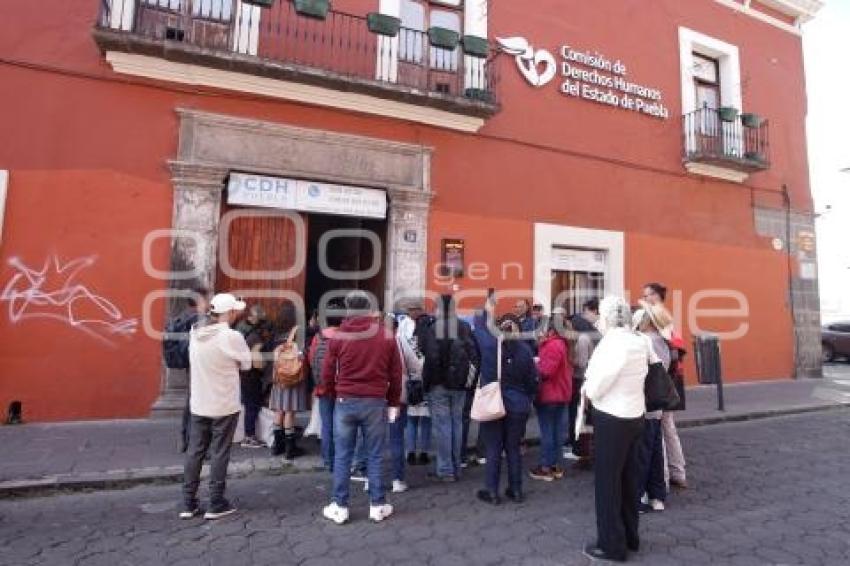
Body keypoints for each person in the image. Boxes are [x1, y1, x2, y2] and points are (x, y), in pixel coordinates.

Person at [581, 296, 658, 562]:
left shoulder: (611, 344)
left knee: (607, 484)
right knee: (629, 480)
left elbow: (595, 387)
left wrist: (589, 388)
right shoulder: (640, 340)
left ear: (607, 318)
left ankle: (611, 545)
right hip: (636, 416)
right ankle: (630, 536)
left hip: (613, 418)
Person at [321, 292, 403, 525]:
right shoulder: (386, 336)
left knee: (343, 455)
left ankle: (340, 505)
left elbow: (327, 370)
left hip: (345, 400)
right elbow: (396, 374)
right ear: (370, 310)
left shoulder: (339, 336)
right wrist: (394, 401)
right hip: (375, 401)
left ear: (348, 309)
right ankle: (377, 505)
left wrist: (328, 392)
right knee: (376, 454)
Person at [180, 293, 251, 520]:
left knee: (195, 451)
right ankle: (216, 501)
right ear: (228, 313)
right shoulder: (232, 336)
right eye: (235, 311)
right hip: (224, 403)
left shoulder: (195, 333)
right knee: (220, 451)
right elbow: (247, 364)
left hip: (199, 401)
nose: (237, 314)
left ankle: (188, 502)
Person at [474, 312, 538, 504]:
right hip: (518, 406)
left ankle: (492, 492)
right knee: (513, 448)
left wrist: (486, 309)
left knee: (493, 448)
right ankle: (516, 489)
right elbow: (533, 382)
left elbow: (479, 325)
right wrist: (526, 397)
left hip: (494, 404)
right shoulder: (526, 351)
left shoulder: (490, 348)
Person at [422, 294, 478, 482]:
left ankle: (445, 469)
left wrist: (429, 383)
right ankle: (455, 466)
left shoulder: (433, 328)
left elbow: (431, 358)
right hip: (460, 384)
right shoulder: (464, 327)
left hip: (439, 385)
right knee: (457, 424)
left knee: (443, 426)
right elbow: (474, 355)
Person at [642, 282, 688, 489]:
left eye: (649, 294)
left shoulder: (658, 318)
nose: (646, 298)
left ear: (657, 295)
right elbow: (678, 350)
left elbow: (672, 352)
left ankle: (664, 478)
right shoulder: (667, 319)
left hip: (662, 381)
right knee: (668, 427)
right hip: (670, 380)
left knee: (659, 428)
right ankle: (678, 471)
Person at [633, 301, 673, 513]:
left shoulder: (647, 342)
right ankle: (657, 496)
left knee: (643, 454)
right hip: (655, 406)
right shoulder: (662, 341)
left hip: (646, 406)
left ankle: (639, 496)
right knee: (655, 452)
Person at [163, 287, 209, 453]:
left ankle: (184, 439)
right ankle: (194, 443)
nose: (208, 302)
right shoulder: (200, 319)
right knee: (197, 404)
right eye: (205, 299)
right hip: (198, 366)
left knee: (190, 402)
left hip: (188, 364)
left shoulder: (182, 317)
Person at [264, 301, 308, 460]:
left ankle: (277, 445)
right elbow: (302, 355)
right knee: (289, 411)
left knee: (279, 410)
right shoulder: (298, 332)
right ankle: (290, 448)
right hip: (292, 376)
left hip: (279, 377)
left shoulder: (275, 332)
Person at [529, 320, 573, 482]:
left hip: (550, 394)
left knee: (548, 432)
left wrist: (534, 365)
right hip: (560, 393)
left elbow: (546, 371)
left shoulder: (552, 345)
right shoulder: (560, 344)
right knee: (556, 431)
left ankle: (546, 467)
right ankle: (555, 465)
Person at [308, 298, 345, 472]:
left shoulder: (318, 337)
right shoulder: (346, 338)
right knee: (342, 425)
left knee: (327, 425)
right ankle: (342, 459)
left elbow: (311, 359)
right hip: (342, 388)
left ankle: (327, 460)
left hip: (322, 387)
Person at [566, 298, 601, 463]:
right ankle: (587, 447)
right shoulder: (595, 334)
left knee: (580, 414)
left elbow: (581, 363)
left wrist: (569, 359)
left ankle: (581, 449)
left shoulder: (582, 339)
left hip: (582, 379)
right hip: (593, 379)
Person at [404, 300, 433, 466]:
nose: (412, 312)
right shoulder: (429, 327)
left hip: (413, 378)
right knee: (422, 420)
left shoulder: (404, 328)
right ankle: (421, 452)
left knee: (414, 419)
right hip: (423, 377)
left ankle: (413, 452)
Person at [235, 304, 269, 448]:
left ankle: (248, 435)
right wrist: (265, 366)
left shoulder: (243, 331)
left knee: (248, 404)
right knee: (252, 406)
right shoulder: (255, 338)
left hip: (243, 373)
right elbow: (257, 362)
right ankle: (249, 437)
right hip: (251, 375)